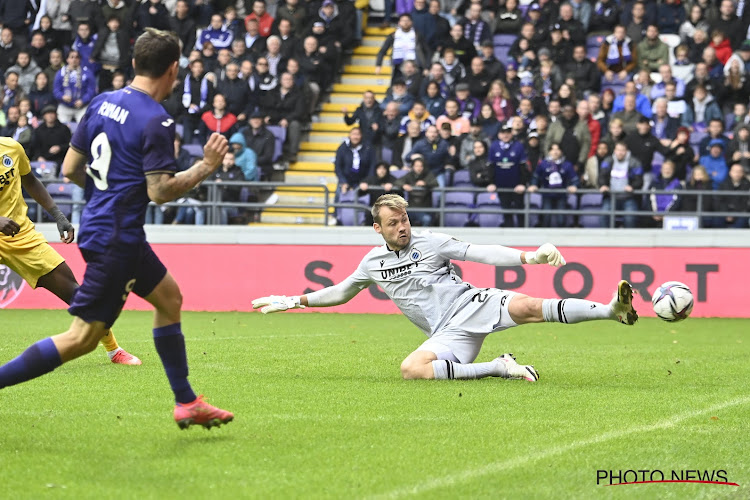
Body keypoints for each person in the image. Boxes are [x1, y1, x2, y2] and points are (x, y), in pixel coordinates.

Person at [0, 29, 234, 429]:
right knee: (80, 338)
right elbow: (160, 191)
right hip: (116, 237)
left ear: (134, 63)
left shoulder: (101, 102)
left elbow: (71, 169)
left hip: (107, 227)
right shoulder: (156, 119)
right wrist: (205, 167)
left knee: (170, 299)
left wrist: (109, 195)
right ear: (174, 69)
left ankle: (187, 402)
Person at [252, 194, 639, 381]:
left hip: (473, 303)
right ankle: (499, 367)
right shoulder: (372, 263)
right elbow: (339, 292)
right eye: (392, 223)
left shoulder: (431, 241)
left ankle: (611, 310)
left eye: (403, 219)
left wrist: (530, 257)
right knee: (411, 370)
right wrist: (293, 300)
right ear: (378, 229)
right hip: (447, 332)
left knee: (528, 307)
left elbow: (480, 252)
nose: (401, 227)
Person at [0, 137, 140, 365]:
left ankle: (114, 350)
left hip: (19, 236)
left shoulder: (11, 148)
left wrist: (57, 214)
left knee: (76, 293)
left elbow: (31, 181)